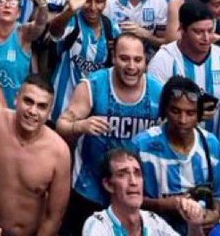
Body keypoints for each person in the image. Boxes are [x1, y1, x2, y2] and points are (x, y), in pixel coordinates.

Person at [57, 34, 163, 233]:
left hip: (134, 189)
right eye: (124, 58)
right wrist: (80, 126)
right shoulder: (93, 85)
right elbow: (61, 125)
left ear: (146, 62)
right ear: (114, 58)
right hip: (90, 189)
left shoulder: (158, 91)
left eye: (137, 59)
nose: (131, 66)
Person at [0, 49, 71, 236]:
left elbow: (54, 216)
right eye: (28, 101)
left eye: (42, 106)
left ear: (50, 112)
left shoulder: (59, 152)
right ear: (16, 99)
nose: (33, 111)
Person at [149, 0, 220, 142]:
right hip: (170, 147)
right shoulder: (163, 60)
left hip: (215, 149)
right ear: (182, 29)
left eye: (210, 31)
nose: (206, 38)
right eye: (198, 32)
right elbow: (152, 111)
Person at [132, 75, 220, 232]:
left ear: (199, 115)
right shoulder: (142, 146)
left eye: (190, 113)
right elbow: (126, 198)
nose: (182, 120)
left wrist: (215, 215)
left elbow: (219, 196)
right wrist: (163, 205)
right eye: (176, 111)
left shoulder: (211, 145)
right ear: (165, 110)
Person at [81, 147, 181, 236]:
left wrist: (194, 225)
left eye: (137, 174)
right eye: (122, 175)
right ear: (108, 184)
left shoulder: (154, 222)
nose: (133, 182)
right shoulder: (98, 225)